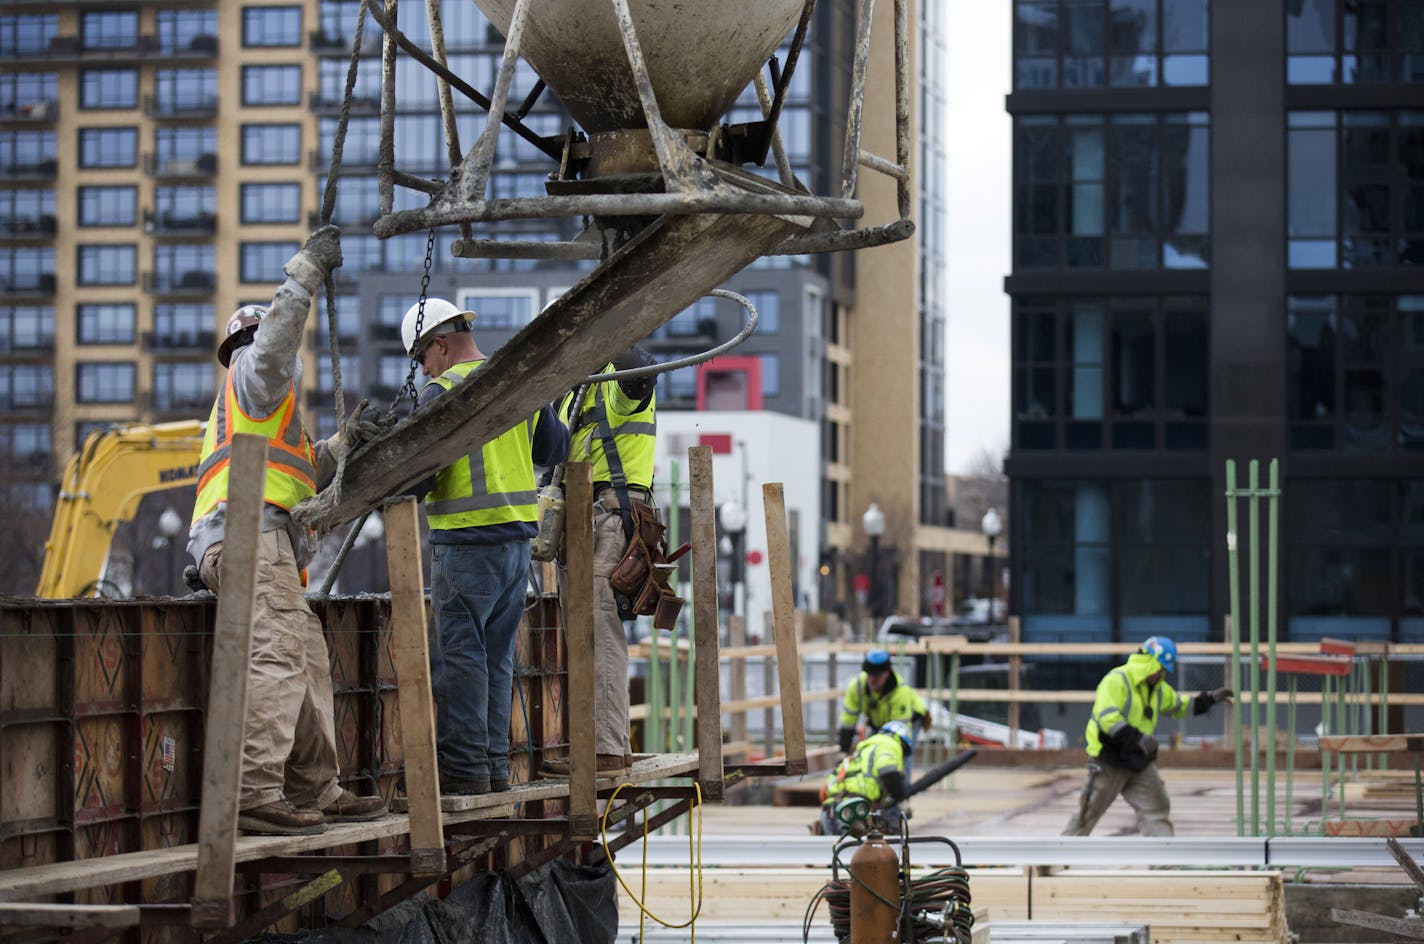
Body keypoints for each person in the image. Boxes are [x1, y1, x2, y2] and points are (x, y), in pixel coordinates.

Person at [187, 226, 386, 836]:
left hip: (267, 546)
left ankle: (315, 789)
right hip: (249, 539)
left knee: (307, 662)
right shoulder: (254, 375)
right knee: (276, 658)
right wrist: (302, 280)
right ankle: (253, 792)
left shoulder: (270, 414)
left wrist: (340, 445)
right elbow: (271, 348)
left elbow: (297, 473)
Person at [400, 297, 568, 796]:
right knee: (495, 660)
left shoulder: (441, 392)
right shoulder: (514, 382)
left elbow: (417, 478)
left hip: (466, 545)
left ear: (440, 345)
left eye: (420, 357)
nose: (422, 369)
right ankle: (494, 766)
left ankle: (466, 770)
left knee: (461, 660)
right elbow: (554, 449)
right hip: (516, 548)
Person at [540, 345, 658, 778]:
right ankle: (601, 744)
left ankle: (605, 749)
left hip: (607, 516)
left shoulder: (615, 373)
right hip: (582, 518)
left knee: (598, 628)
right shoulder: (577, 386)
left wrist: (613, 329)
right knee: (583, 634)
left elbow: (637, 379)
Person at [1062, 635, 1233, 837]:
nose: (1160, 675)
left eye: (1163, 671)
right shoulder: (1117, 680)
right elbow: (1106, 718)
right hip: (1109, 762)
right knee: (1087, 813)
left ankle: (1163, 863)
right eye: (1159, 669)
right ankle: (1055, 861)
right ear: (1148, 662)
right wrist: (1137, 739)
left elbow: (1179, 707)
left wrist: (1209, 699)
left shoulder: (1157, 689)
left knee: (1157, 808)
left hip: (1138, 762)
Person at [817, 720, 915, 837]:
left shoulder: (864, 748)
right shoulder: (890, 744)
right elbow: (888, 771)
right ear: (903, 743)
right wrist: (900, 799)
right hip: (855, 810)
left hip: (832, 810)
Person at [837, 649, 930, 755]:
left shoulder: (900, 693)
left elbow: (901, 732)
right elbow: (848, 721)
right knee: (871, 752)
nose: (872, 680)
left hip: (909, 720)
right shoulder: (857, 687)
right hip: (879, 721)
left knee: (899, 756)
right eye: (869, 674)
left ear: (886, 673)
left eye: (876, 676)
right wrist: (843, 751)